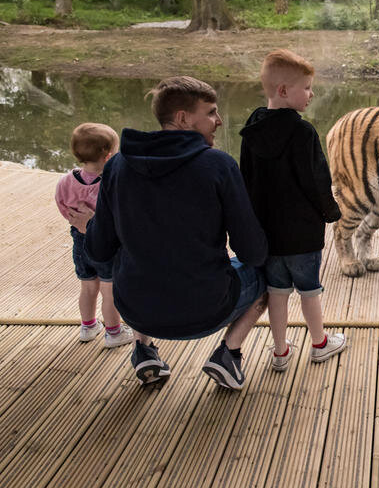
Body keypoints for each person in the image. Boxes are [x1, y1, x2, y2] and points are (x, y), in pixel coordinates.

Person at [85, 76, 268, 390]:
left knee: (126, 257)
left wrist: (89, 225)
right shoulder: (219, 165)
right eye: (210, 112)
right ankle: (229, 353)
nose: (219, 120)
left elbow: (98, 250)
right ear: (183, 118)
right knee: (268, 274)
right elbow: (252, 251)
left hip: (136, 310)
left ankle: (143, 350)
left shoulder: (117, 166)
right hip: (208, 310)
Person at [240, 49, 346, 371]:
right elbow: (317, 180)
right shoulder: (303, 132)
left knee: (277, 294)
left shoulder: (252, 128)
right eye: (308, 88)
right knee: (310, 292)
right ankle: (320, 344)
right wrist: (331, 212)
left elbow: (245, 179)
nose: (311, 94)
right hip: (302, 236)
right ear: (284, 90)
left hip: (268, 236)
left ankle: (280, 352)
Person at [55, 123, 134, 348]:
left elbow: (62, 205)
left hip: (79, 241)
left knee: (88, 287)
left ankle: (88, 327)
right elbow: (118, 214)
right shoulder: (110, 182)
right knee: (109, 290)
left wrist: (77, 224)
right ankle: (114, 333)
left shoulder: (66, 181)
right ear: (108, 156)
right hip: (105, 244)